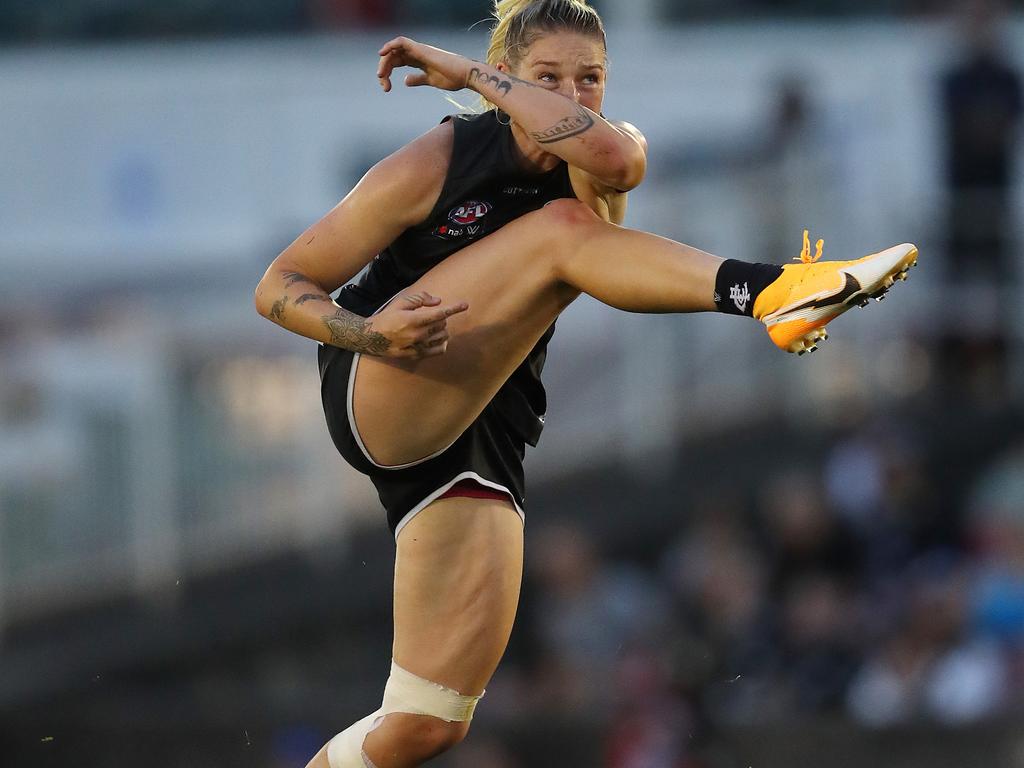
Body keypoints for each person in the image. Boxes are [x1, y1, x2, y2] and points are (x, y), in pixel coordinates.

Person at [253, 2, 918, 766]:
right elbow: (277, 287)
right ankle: (777, 294)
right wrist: (371, 333)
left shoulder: (605, 154)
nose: (571, 97)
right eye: (548, 78)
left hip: (484, 433)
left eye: (590, 80)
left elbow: (618, 159)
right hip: (384, 376)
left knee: (425, 724)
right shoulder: (436, 161)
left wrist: (475, 73)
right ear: (506, 78)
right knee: (561, 234)